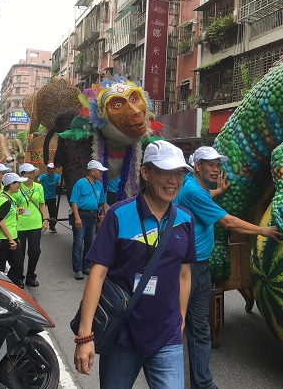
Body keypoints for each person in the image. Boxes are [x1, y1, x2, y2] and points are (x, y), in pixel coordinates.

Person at [74, 140, 197, 388]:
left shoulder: (185, 220)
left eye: (178, 173)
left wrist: (181, 318)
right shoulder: (118, 215)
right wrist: (85, 336)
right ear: (145, 173)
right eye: (164, 172)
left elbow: (184, 274)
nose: (172, 180)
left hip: (167, 338)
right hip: (121, 335)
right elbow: (97, 275)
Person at [175, 146, 283, 389]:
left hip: (199, 267)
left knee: (199, 328)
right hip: (188, 270)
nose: (216, 169)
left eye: (218, 164)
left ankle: (202, 383)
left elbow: (203, 198)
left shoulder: (194, 187)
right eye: (210, 164)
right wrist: (262, 230)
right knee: (181, 327)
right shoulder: (194, 191)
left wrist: (219, 191)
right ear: (198, 166)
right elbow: (227, 221)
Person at [70, 160, 109, 280]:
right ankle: (78, 269)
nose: (101, 173)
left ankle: (86, 266)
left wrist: (107, 214)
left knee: (90, 242)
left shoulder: (99, 185)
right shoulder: (80, 183)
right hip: (82, 215)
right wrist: (77, 217)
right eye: (99, 171)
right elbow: (74, 201)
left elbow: (103, 202)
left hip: (93, 216)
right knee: (78, 243)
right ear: (92, 171)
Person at [13, 163, 48, 288]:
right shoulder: (16, 187)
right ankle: (19, 277)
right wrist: (18, 210)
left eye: (33, 172)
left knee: (35, 251)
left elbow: (42, 204)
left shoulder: (39, 187)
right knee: (19, 253)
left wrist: (45, 219)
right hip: (19, 225)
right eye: (29, 173)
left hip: (35, 224)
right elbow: (12, 206)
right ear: (22, 174)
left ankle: (30, 276)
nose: (32, 175)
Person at [0, 172, 26, 288]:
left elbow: (7, 216)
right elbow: (1, 221)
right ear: (11, 184)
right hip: (4, 239)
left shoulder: (9, 198)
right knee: (3, 266)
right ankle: (2, 287)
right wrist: (11, 239)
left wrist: (17, 212)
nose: (19, 185)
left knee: (16, 265)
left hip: (10, 237)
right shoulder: (2, 199)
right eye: (18, 183)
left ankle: (5, 287)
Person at [38, 162, 61, 233]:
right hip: (43, 197)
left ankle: (52, 226)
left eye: (52, 169)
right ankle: (40, 226)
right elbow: (38, 180)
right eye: (49, 169)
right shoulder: (43, 176)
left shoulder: (57, 176)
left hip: (52, 197)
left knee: (53, 213)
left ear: (54, 170)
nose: (51, 170)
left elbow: (59, 183)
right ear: (47, 170)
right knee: (41, 212)